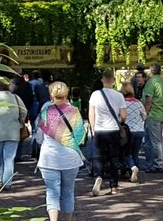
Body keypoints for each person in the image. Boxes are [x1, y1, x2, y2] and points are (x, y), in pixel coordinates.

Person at [35, 81, 86, 221]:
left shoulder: (46, 112)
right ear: (67, 94)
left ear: (51, 94)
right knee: (68, 192)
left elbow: (39, 137)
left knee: (52, 193)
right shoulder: (74, 112)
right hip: (70, 159)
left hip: (49, 159)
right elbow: (81, 136)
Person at [0, 77, 27, 190]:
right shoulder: (15, 98)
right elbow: (24, 112)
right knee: (9, 157)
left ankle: (0, 177)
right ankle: (7, 182)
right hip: (12, 131)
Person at [88, 70, 127, 195]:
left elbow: (91, 113)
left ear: (102, 80)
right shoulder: (119, 96)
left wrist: (93, 129)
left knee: (99, 156)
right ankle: (114, 186)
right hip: (113, 130)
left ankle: (98, 176)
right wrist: (120, 121)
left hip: (99, 130)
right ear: (113, 81)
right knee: (114, 157)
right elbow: (123, 115)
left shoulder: (95, 95)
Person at [141, 63, 163, 173]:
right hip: (160, 113)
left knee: (153, 142)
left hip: (152, 114)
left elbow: (149, 100)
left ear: (151, 71)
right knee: (155, 141)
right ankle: (152, 163)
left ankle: (157, 164)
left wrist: (145, 114)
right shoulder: (162, 82)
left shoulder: (151, 82)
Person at [120, 81, 146, 182]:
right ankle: (134, 172)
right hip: (139, 131)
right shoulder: (138, 102)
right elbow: (144, 116)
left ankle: (132, 167)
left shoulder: (122, 104)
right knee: (135, 153)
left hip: (127, 132)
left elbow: (120, 117)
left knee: (126, 153)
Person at [10, 71, 36, 160]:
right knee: (21, 131)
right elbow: (30, 98)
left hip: (11, 110)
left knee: (12, 132)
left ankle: (12, 154)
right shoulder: (26, 85)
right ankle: (18, 154)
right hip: (23, 110)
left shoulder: (10, 86)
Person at [29, 70, 51, 157]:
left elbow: (37, 97)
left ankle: (35, 150)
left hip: (39, 109)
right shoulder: (53, 86)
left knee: (36, 130)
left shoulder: (38, 86)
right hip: (52, 109)